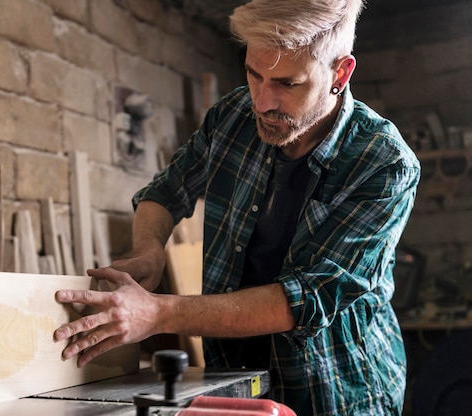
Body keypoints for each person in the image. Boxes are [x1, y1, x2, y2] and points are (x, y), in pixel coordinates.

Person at [53, 0, 421, 414]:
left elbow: (305, 299)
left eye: (287, 83)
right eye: (253, 74)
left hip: (337, 389)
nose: (263, 101)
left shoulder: (385, 164)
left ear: (340, 73)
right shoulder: (232, 117)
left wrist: (158, 313)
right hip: (235, 375)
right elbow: (166, 191)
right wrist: (149, 252)